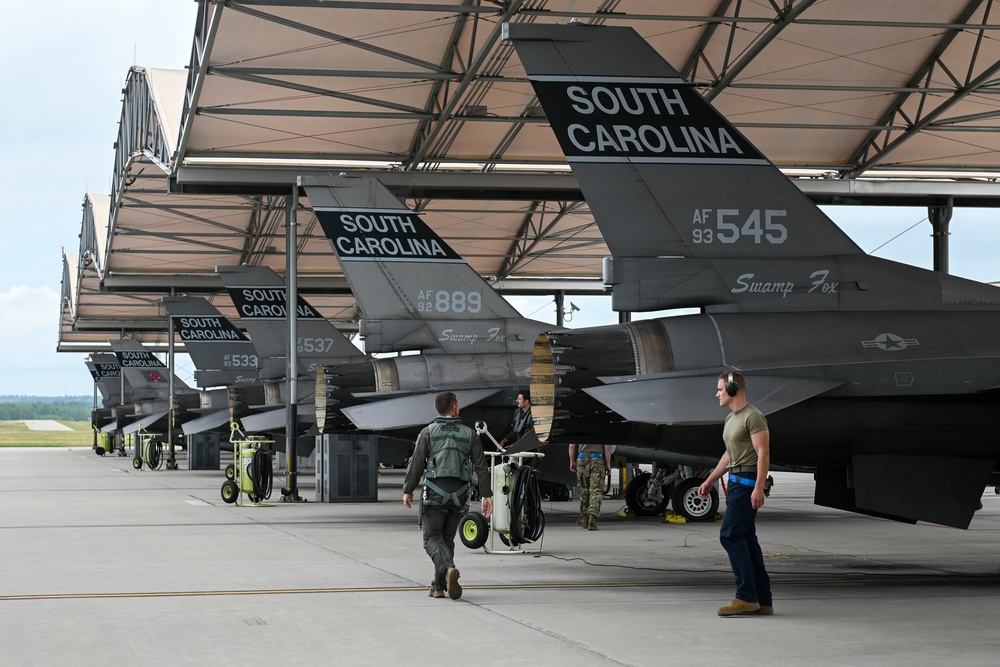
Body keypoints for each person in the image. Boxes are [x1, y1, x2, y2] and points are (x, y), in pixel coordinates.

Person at [403, 392, 493, 600]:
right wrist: (487, 496)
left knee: (431, 539)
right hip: (460, 494)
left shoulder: (428, 433)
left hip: (435, 492)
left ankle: (448, 569)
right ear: (455, 408)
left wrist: (408, 489)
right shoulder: (470, 434)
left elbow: (416, 463)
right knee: (446, 539)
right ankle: (438, 586)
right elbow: (481, 466)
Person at [698, 371, 773, 617]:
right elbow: (729, 454)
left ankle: (746, 597)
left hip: (747, 483)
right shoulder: (732, 419)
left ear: (732, 389)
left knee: (730, 535)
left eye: (720, 389)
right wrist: (710, 479)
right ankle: (763, 600)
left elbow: (763, 453)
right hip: (735, 482)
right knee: (747, 541)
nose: (717, 393)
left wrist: (759, 487)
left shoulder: (754, 417)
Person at [569, 443, 612, 530]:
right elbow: (607, 447)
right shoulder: (605, 428)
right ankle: (592, 519)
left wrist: (572, 461)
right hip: (597, 459)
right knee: (596, 491)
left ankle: (585, 519)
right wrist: (608, 465)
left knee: (584, 490)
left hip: (581, 458)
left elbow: (571, 446)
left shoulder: (577, 428)